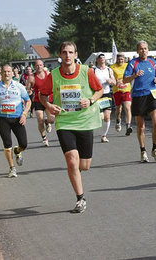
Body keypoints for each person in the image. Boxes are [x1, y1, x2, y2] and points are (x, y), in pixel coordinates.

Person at [39, 41, 103, 213]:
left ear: (76, 55)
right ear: (60, 55)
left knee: (84, 165)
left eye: (70, 52)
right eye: (64, 52)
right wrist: (49, 106)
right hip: (65, 122)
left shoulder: (86, 71)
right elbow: (42, 95)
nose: (67, 56)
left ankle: (76, 174)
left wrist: (89, 100)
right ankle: (80, 199)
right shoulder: (53, 75)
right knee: (71, 160)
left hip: (85, 120)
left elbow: (100, 90)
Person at [0, 64, 31, 178]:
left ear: (12, 73)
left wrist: (24, 114)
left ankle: (17, 151)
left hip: (17, 118)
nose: (6, 74)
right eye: (4, 72)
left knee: (24, 144)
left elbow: (28, 101)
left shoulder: (19, 86)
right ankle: (12, 168)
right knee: (7, 144)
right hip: (2, 119)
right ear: (1, 73)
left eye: (8, 71)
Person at [123, 40, 156, 163]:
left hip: (152, 94)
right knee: (141, 126)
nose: (143, 50)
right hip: (139, 95)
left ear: (148, 49)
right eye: (141, 49)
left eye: (145, 48)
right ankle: (143, 151)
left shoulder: (153, 62)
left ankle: (155, 149)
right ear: (137, 50)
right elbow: (124, 80)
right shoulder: (133, 63)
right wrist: (134, 75)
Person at [26, 59, 54, 146]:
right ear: (34, 67)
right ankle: (44, 138)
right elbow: (27, 89)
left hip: (48, 100)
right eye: (37, 65)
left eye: (41, 65)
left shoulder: (48, 75)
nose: (39, 67)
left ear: (43, 66)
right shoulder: (31, 77)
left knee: (52, 120)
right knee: (39, 120)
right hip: (38, 101)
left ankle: (47, 122)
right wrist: (29, 91)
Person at [94, 53, 116, 143]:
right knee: (100, 116)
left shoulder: (109, 69)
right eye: (100, 58)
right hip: (97, 94)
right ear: (97, 60)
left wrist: (111, 81)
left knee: (107, 116)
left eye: (103, 58)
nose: (102, 59)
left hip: (106, 94)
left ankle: (104, 135)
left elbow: (114, 82)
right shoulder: (93, 70)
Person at [110, 53, 133, 135]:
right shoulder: (112, 67)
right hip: (117, 90)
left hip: (126, 89)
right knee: (118, 109)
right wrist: (115, 81)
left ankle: (128, 126)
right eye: (119, 60)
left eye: (122, 60)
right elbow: (110, 77)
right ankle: (118, 121)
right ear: (117, 59)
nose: (120, 61)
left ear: (124, 59)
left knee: (127, 107)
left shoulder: (128, 66)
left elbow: (132, 75)